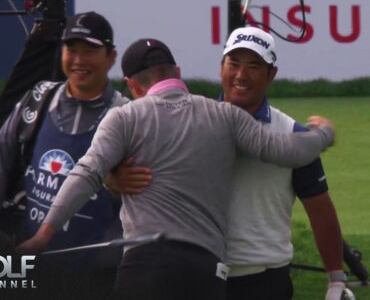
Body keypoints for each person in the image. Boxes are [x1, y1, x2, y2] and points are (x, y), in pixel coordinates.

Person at [17, 37, 335, 300]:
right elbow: (287, 150)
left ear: (131, 85)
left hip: (143, 265)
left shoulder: (124, 117)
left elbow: (86, 173)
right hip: (206, 271)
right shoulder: (224, 116)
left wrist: (42, 237)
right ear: (178, 72)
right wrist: (324, 134)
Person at [0, 11, 129, 299]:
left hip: (92, 275)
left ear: (111, 57)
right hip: (21, 262)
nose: (79, 60)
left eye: (90, 51)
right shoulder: (39, 98)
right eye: (72, 49)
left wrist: (118, 189)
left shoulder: (127, 115)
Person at [219, 27, 345, 300]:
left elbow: (320, 209)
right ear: (221, 67)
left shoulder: (295, 135)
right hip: (203, 275)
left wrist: (335, 277)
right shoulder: (193, 122)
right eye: (234, 64)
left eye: (254, 66)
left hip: (265, 279)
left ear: (271, 75)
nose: (241, 75)